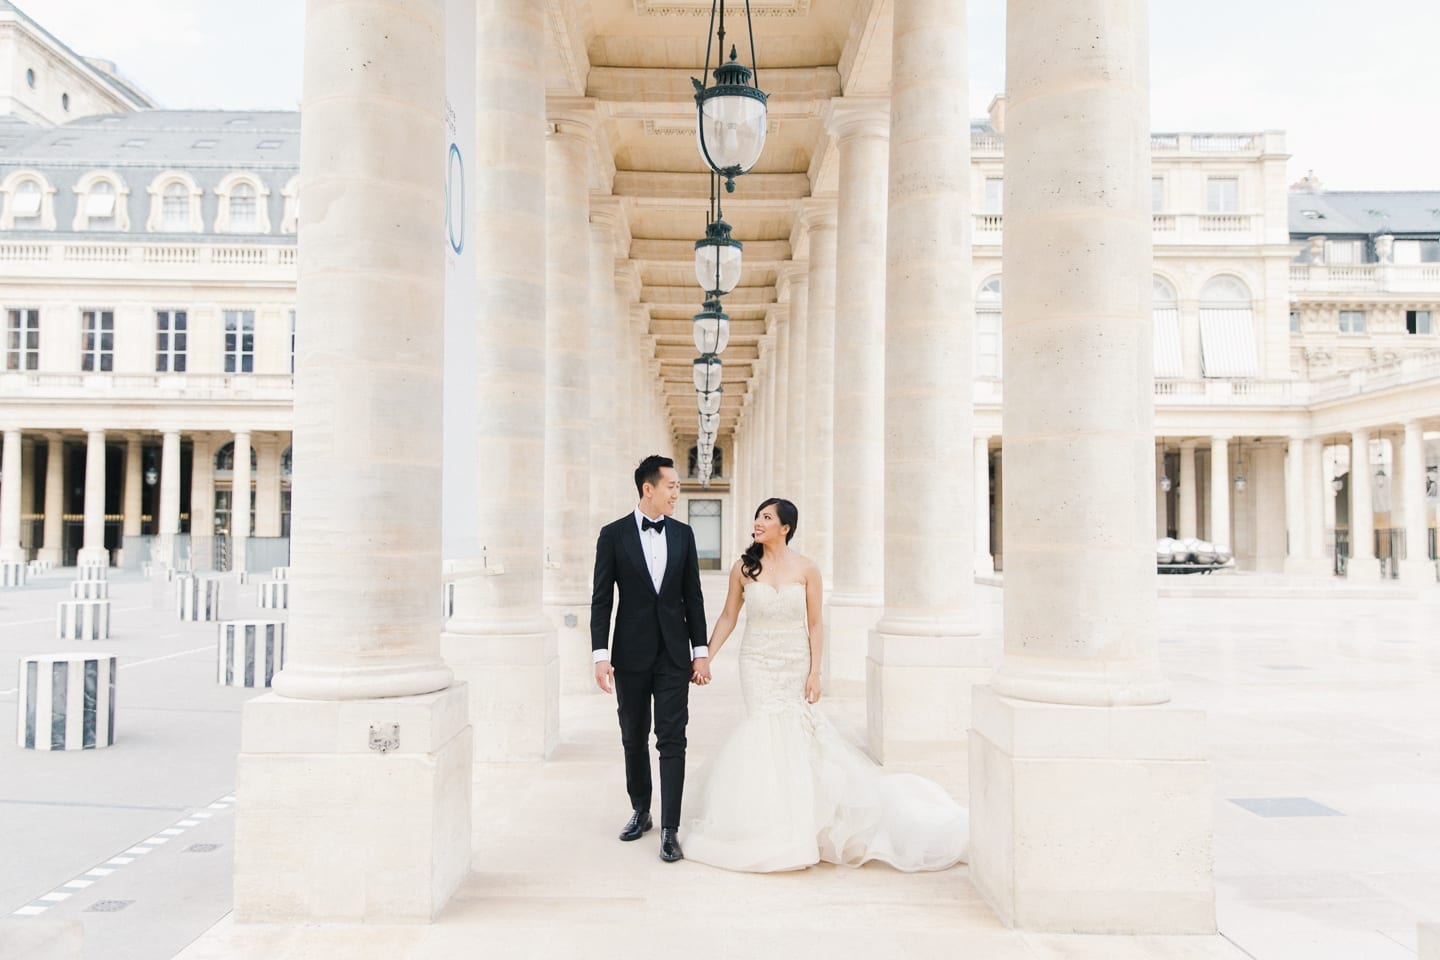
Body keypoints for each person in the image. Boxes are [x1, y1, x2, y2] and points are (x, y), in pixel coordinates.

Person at [682, 498, 968, 873]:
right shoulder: (743, 568)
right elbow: (728, 616)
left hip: (793, 659)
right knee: (763, 730)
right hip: (755, 661)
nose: (758, 522)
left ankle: (806, 822)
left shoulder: (807, 569)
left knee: (796, 735)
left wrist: (816, 672)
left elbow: (816, 624)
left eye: (767, 517)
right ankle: (768, 820)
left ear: (785, 527)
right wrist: (706, 656)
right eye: (757, 516)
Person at [590, 455, 710, 862]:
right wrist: (600, 655)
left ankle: (670, 829)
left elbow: (693, 596)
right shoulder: (613, 535)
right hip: (630, 654)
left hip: (675, 655)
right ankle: (641, 809)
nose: (677, 492)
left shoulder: (684, 535)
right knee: (633, 734)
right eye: (672, 485)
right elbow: (602, 600)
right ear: (648, 489)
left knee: (673, 739)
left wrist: (701, 652)